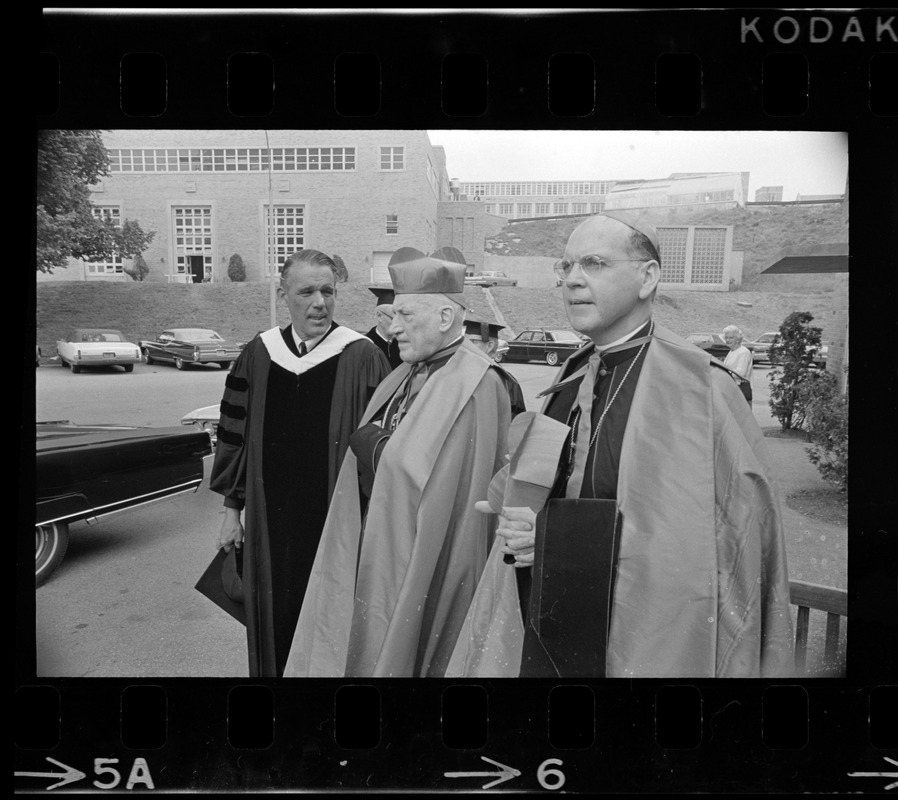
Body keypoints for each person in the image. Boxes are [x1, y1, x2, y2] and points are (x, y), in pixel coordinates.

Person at [452, 211, 794, 678]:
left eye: (593, 263)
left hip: (645, 641)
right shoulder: (573, 375)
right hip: (554, 616)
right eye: (565, 266)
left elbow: (720, 543)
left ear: (647, 277)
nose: (572, 281)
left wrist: (558, 544)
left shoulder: (701, 389)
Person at [284, 256, 516, 678]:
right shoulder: (413, 369)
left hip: (429, 555)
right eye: (392, 315)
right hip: (385, 541)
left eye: (405, 314)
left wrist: (371, 444)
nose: (392, 328)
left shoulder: (476, 382)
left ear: (446, 316)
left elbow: (432, 483)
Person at [209, 249, 391, 677]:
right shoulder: (259, 353)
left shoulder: (362, 356)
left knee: (332, 624)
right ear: (283, 293)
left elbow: (382, 448)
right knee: (274, 620)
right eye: (307, 291)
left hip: (336, 521)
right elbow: (234, 433)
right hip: (269, 520)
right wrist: (231, 511)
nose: (319, 302)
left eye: (328, 291)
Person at [463, 315, 526, 415]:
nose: (466, 346)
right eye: (465, 342)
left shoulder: (507, 382)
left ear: (490, 346)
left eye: (473, 342)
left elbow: (515, 423)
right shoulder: (459, 375)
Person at [364, 286, 403, 369]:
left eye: (399, 318)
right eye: (392, 318)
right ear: (379, 316)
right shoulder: (366, 346)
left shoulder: (403, 344)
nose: (397, 324)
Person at [722, 324, 753, 405]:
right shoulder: (731, 351)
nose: (728, 340)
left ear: (738, 339)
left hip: (740, 391)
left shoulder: (743, 352)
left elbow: (740, 373)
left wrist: (724, 372)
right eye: (726, 337)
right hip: (731, 389)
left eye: (731, 338)